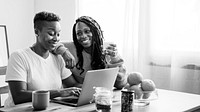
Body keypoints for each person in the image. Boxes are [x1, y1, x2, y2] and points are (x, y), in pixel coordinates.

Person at [4, 11, 81, 107]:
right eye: (51, 33)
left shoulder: (58, 58)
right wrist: (59, 92)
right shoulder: (19, 57)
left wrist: (92, 88)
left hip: (49, 109)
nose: (56, 38)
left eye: (58, 34)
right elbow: (19, 96)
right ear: (37, 32)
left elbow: (73, 84)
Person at [54, 16, 127, 90]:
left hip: (100, 95)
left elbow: (121, 84)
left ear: (95, 31)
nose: (83, 36)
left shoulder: (107, 50)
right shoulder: (71, 47)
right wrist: (64, 52)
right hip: (75, 94)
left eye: (87, 31)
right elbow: (51, 44)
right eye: (79, 33)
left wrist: (115, 59)